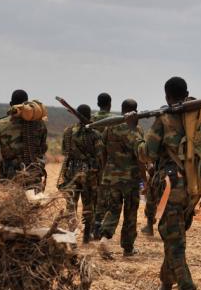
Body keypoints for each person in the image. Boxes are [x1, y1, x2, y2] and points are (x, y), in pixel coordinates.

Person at [126, 77, 201, 290]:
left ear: (167, 96)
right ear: (187, 93)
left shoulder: (164, 119)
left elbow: (146, 154)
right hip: (193, 190)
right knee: (173, 241)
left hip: (171, 190)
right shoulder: (198, 119)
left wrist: (133, 130)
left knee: (175, 246)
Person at [97, 99, 144, 257]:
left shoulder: (110, 127)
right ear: (135, 111)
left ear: (122, 109)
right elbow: (140, 156)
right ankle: (128, 247)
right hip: (130, 179)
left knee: (113, 209)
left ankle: (104, 238)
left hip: (112, 177)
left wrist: (105, 171)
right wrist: (144, 179)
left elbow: (102, 152)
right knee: (130, 213)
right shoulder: (135, 129)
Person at [0, 89, 48, 191]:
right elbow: (43, 149)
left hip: (9, 177)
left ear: (11, 104)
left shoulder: (1, 124)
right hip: (34, 174)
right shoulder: (40, 124)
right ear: (27, 103)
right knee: (34, 200)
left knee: (11, 201)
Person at [58, 104, 104, 244]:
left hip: (71, 172)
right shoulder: (95, 133)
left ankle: (70, 235)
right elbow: (100, 156)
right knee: (89, 205)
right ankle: (86, 237)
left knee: (71, 205)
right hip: (89, 174)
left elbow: (64, 151)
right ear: (89, 115)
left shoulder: (68, 131)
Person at [91, 92, 113, 239]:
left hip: (92, 162)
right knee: (105, 196)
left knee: (93, 195)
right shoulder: (113, 120)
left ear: (98, 104)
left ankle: (94, 224)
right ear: (110, 104)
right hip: (108, 163)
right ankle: (100, 225)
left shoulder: (92, 119)